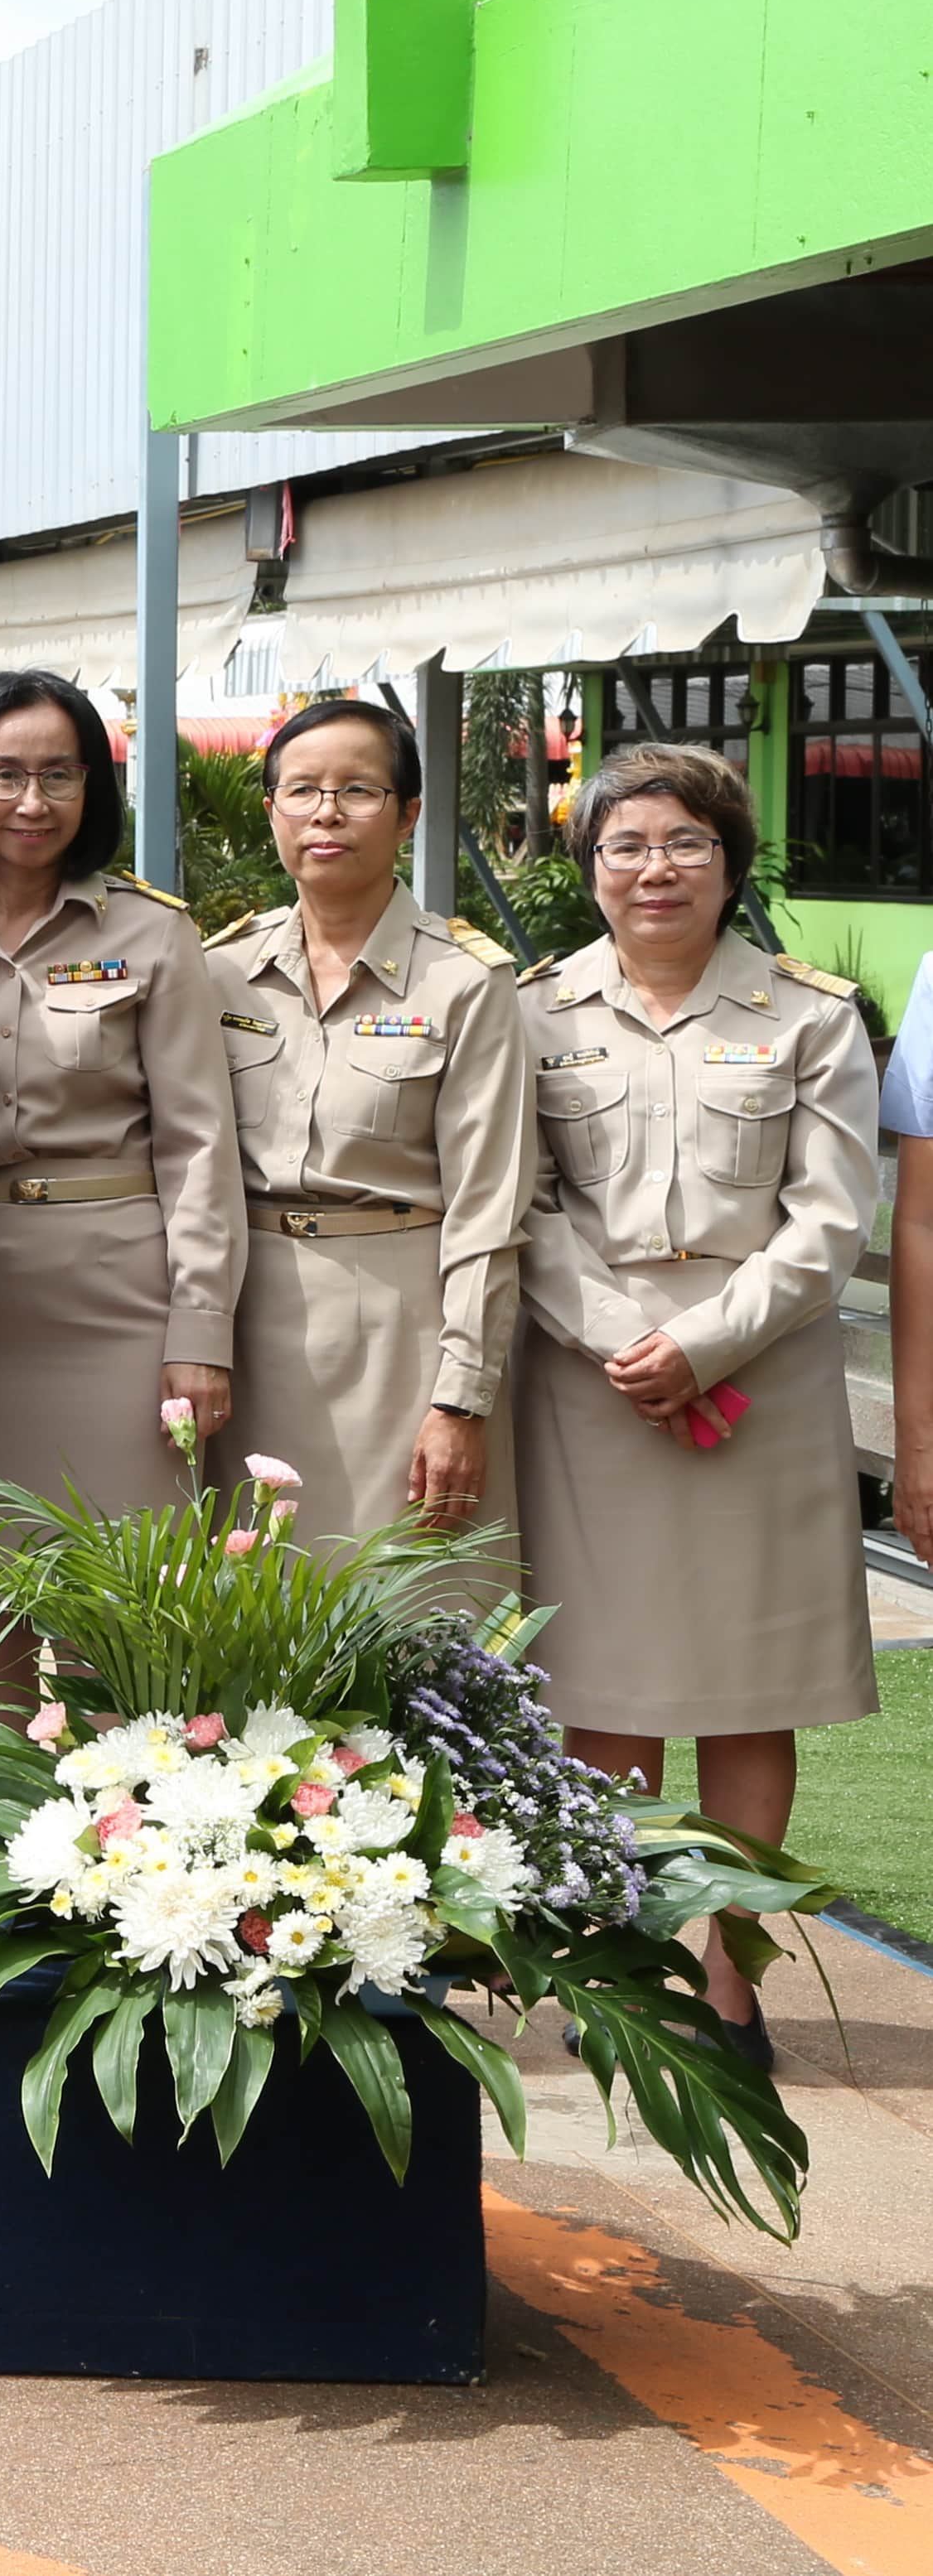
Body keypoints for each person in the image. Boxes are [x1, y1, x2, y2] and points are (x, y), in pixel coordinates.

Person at [525, 745, 876, 2067]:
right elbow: (524, 1202)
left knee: (745, 1688)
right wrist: (632, 1340)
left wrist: (705, 1341)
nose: (653, 867)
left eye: (683, 843)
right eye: (625, 845)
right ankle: (618, 1972)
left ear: (729, 864)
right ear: (591, 868)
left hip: (762, 1382)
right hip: (594, 1384)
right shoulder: (538, 1010)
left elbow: (831, 1215)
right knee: (601, 1691)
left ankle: (729, 1981)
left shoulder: (810, 1015)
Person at [0, 673, 240, 1716]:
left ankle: (118, 1862)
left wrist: (201, 1325)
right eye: (4, 774)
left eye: (58, 774)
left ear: (94, 787)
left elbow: (197, 1142)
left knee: (118, 1612)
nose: (31, 801)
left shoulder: (151, 934)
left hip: (115, 1302)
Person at [209, 697, 529, 1551]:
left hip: (402, 1332)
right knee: (244, 1616)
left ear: (408, 814)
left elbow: (489, 1208)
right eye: (301, 789)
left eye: (357, 789)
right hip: (245, 1329)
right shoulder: (219, 973)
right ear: (270, 808)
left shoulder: (463, 983)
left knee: (400, 1613)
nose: (325, 811)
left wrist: (460, 1395)